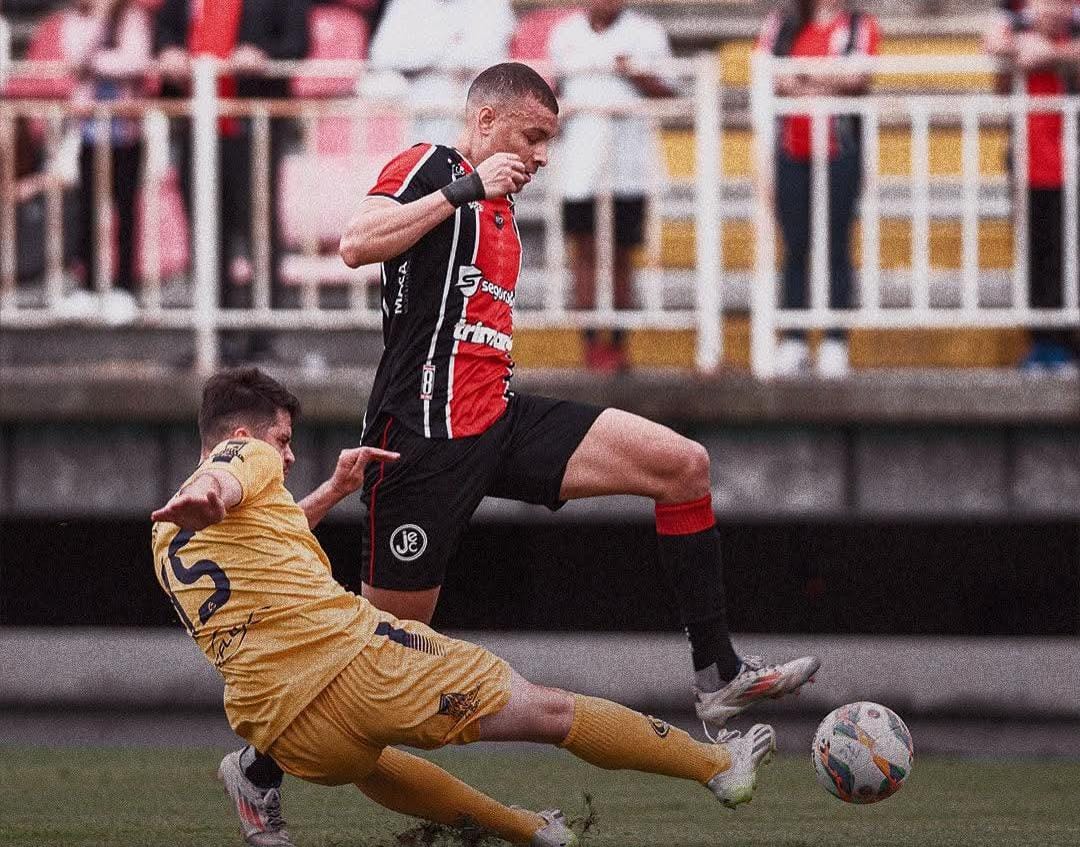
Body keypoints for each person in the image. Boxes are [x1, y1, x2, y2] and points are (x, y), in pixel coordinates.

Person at [229, 59, 818, 826]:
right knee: (379, 649)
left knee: (682, 464)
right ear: (485, 121)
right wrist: (463, 189)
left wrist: (485, 194)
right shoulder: (431, 166)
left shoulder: (503, 210)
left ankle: (718, 672)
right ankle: (258, 767)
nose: (541, 156)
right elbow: (355, 243)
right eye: (532, 136)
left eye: (549, 143)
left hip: (498, 420)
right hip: (421, 444)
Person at [151, 367, 778, 847]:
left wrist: (334, 490)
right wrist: (212, 491)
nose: (286, 455)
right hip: (360, 666)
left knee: (371, 763)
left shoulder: (164, 539)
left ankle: (525, 829)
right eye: (283, 440)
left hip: (283, 730)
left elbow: (268, 530)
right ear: (241, 436)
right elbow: (225, 479)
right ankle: (717, 765)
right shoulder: (241, 458)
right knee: (549, 711)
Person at [156, 0, 310, 362]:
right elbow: (165, 31)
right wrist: (168, 52)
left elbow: (298, 43)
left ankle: (262, 339)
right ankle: (214, 337)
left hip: (254, 127)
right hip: (198, 127)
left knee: (259, 231)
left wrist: (263, 57)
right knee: (206, 234)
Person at [548, 0, 676, 372]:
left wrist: (634, 73)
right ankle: (591, 345)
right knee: (584, 252)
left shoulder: (646, 34)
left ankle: (618, 344)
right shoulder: (565, 35)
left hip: (628, 163)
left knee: (622, 254)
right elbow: (553, 94)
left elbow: (672, 93)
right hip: (580, 164)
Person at [756, 0, 881, 378]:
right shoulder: (781, 24)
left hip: (839, 150)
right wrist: (825, 79)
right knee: (795, 245)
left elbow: (857, 76)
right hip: (791, 150)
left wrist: (800, 76)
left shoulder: (858, 25)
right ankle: (794, 338)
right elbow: (765, 71)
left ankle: (834, 339)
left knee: (836, 245)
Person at [985, 0, 1080, 372]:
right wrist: (1020, 44)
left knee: (1068, 254)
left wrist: (1053, 54)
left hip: (1070, 159)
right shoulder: (1016, 22)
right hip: (1029, 159)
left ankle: (1067, 343)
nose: (1053, 8)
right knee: (1035, 253)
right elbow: (993, 45)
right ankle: (1045, 343)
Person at [68, 0, 154, 322]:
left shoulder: (133, 18)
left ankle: (124, 287)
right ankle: (88, 286)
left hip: (125, 131)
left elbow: (137, 62)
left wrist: (98, 63)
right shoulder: (77, 19)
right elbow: (75, 60)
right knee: (88, 209)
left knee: (126, 209)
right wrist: (99, 29)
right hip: (90, 131)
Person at [365, 0, 515, 146]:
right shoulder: (406, 3)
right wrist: (445, 42)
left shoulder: (492, 4)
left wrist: (428, 46)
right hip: (419, 87)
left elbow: (482, 54)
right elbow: (382, 54)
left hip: (473, 86)